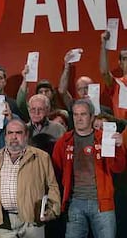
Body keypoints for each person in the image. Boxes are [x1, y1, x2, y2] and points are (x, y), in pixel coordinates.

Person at [52, 99, 126, 238]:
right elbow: (56, 171)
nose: (79, 118)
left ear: (92, 117)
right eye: (75, 114)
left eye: (83, 114)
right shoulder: (64, 141)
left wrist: (119, 148)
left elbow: (118, 168)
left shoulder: (104, 139)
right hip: (74, 203)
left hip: (102, 203)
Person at [0, 119, 61, 237]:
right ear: (5, 136)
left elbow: (52, 186)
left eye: (18, 133)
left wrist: (52, 211)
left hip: (32, 221)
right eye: (10, 133)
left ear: (26, 135)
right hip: (3, 222)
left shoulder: (41, 157)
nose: (14, 137)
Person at [100, 31, 127, 120]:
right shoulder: (116, 84)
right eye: (125, 58)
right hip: (122, 129)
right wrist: (104, 44)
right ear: (120, 63)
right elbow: (104, 72)